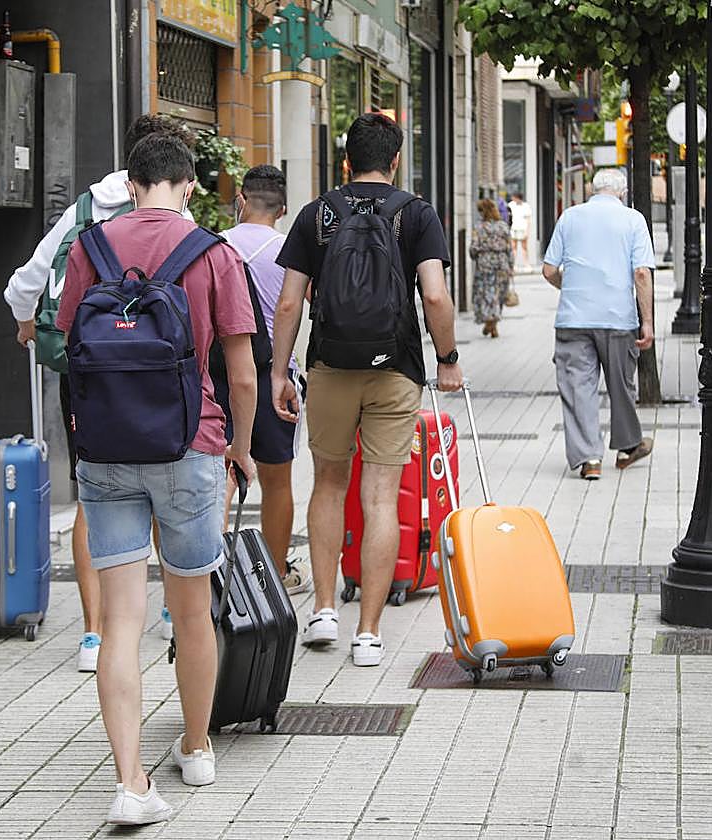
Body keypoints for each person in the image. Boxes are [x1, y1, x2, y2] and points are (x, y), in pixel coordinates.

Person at [57, 133, 258, 825]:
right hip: (190, 445)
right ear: (190, 185)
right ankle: (197, 747)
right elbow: (241, 370)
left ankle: (130, 780)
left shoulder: (91, 246)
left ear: (132, 184)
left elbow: (65, 341)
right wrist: (240, 447)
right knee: (193, 608)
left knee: (119, 621)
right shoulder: (213, 252)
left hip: (106, 449)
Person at [4, 115, 194, 673]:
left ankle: (94, 634)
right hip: (162, 376)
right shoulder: (178, 219)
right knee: (164, 475)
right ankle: (166, 610)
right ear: (172, 172)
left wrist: (25, 326)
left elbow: (26, 282)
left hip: (91, 376)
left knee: (94, 489)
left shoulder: (85, 211)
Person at [271, 113, 462, 668]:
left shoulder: (316, 215)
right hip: (395, 369)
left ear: (346, 161)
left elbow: (288, 304)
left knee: (329, 485)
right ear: (396, 160)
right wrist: (447, 359)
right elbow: (436, 298)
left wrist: (280, 373)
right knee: (380, 497)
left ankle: (325, 610)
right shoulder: (417, 214)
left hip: (330, 366)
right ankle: (370, 633)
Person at [217, 165, 311, 594]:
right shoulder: (292, 252)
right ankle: (274, 578)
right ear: (283, 208)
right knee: (277, 482)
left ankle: (210, 577)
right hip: (275, 378)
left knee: (218, 479)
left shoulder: (215, 246)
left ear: (241, 199)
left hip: (220, 378)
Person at [541, 167, 655, 481]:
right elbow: (641, 274)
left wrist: (573, 287)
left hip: (573, 319)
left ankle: (589, 459)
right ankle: (627, 447)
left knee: (578, 388)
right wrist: (647, 322)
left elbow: (549, 270)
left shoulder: (570, 217)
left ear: (594, 190)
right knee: (621, 384)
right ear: (622, 192)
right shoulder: (633, 220)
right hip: (617, 318)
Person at [469, 198, 514, 338]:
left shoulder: (479, 227)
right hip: (502, 264)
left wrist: (476, 254)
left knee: (487, 294)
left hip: (485, 265)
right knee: (498, 294)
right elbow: (509, 249)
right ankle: (493, 323)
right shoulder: (503, 226)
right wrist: (511, 266)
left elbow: (474, 248)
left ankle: (490, 322)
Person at [509, 191, 532, 268]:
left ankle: (526, 264)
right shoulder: (511, 205)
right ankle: (514, 264)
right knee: (513, 247)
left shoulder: (526, 206)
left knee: (524, 247)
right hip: (514, 228)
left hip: (522, 228)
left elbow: (528, 220)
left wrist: (527, 231)